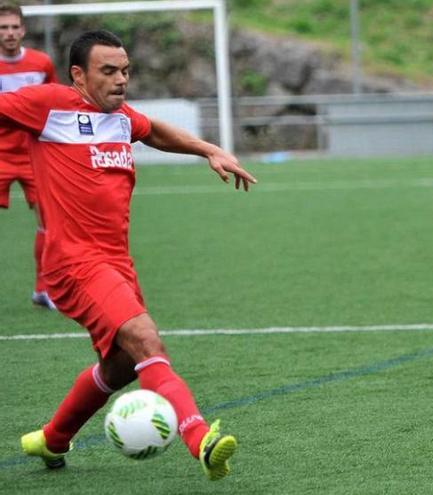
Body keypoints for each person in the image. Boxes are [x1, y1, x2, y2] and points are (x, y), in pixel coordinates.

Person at [5, 30, 257, 481]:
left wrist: (208, 150)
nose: (121, 79)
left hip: (117, 263)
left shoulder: (119, 115)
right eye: (109, 71)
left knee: (121, 365)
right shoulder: (48, 104)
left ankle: (52, 439)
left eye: (125, 70)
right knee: (146, 340)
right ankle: (201, 440)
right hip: (73, 263)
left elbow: (152, 130)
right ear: (78, 74)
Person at [0, 3, 58, 308]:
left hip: (34, 155)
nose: (9, 33)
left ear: (23, 29)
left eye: (13, 27)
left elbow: (54, 105)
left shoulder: (41, 63)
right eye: (3, 27)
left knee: (49, 223)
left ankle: (43, 288)